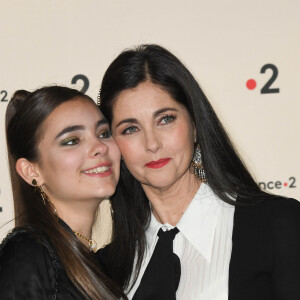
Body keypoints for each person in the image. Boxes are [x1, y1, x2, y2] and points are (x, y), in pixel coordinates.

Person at [97, 44, 300, 300]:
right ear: (113, 145)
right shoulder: (104, 268)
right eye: (130, 129)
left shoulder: (276, 225)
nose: (152, 143)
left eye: (165, 119)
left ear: (194, 124)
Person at [0, 86, 126, 299]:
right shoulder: (28, 252)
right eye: (72, 141)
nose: (100, 147)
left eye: (104, 133)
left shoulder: (101, 263)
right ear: (31, 171)